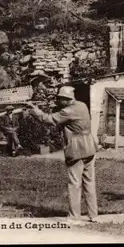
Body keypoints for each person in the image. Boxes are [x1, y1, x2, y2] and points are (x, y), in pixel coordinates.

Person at [26, 86, 99, 223]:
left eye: (60, 99)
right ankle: (93, 215)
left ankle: (74, 217)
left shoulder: (68, 111)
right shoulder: (82, 105)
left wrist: (34, 110)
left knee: (74, 183)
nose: (58, 101)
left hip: (77, 149)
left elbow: (47, 119)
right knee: (89, 182)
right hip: (90, 147)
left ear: (66, 100)